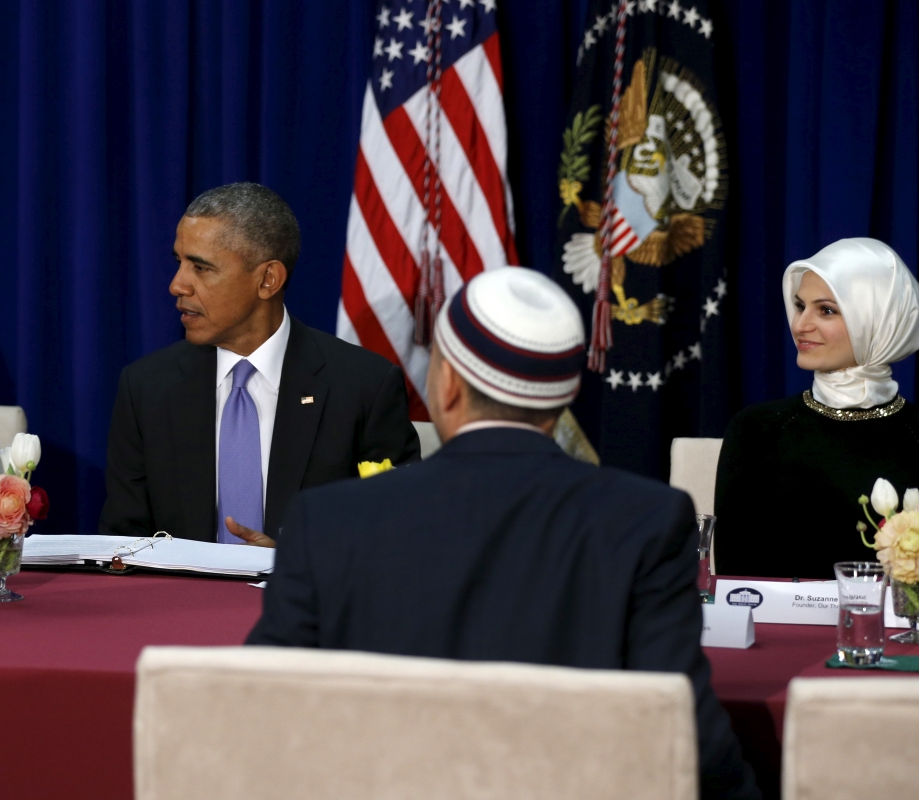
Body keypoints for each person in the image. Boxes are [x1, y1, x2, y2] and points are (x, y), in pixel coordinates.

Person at [247, 268, 759, 800]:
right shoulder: (647, 520)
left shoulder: (327, 519)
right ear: (566, 393)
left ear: (445, 385)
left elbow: (263, 712)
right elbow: (684, 738)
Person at [99, 183, 419, 544]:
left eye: (201, 268)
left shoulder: (364, 387)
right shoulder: (146, 388)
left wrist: (294, 561)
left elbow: (400, 535)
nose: (177, 285)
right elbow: (123, 540)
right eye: (180, 263)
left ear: (267, 280)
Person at [715, 238, 919, 579]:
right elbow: (738, 580)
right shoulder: (756, 429)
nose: (800, 325)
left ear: (880, 321)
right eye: (800, 305)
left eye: (826, 310)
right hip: (776, 633)